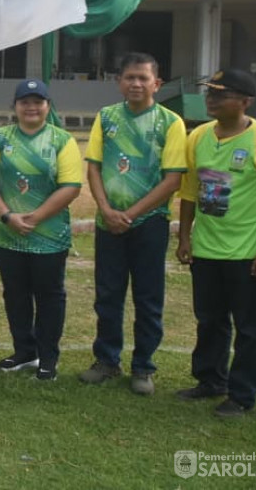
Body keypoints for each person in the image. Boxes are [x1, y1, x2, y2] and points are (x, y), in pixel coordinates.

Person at [175, 68, 256, 417]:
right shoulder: (199, 136)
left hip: (245, 253)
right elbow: (190, 192)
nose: (212, 99)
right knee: (209, 319)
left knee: (247, 328)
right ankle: (210, 380)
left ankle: (242, 394)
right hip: (206, 249)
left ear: (245, 102)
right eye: (210, 93)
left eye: (221, 94)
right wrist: (184, 238)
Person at [78, 53, 187, 396]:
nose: (136, 84)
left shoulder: (170, 122)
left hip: (150, 224)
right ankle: (107, 361)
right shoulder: (106, 118)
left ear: (157, 83)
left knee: (148, 297)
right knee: (108, 295)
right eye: (129, 77)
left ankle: (144, 366)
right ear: (119, 82)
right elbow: (93, 167)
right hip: (108, 223)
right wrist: (108, 210)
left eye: (143, 78)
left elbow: (172, 180)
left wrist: (131, 214)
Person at [0, 78, 83, 382]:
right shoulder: (0, 138)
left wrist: (35, 218)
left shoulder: (62, 140)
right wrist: (8, 215)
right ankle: (24, 350)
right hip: (8, 234)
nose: (32, 107)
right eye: (25, 101)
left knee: (50, 296)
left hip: (49, 237)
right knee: (15, 295)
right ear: (16, 106)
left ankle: (47, 357)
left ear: (48, 106)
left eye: (38, 102)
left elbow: (71, 186)